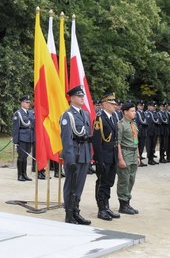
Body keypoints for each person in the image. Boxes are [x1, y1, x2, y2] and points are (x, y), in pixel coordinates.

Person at [60, 86, 92, 225]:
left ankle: (76, 211)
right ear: (72, 98)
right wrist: (70, 159)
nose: (82, 98)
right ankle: (69, 213)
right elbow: (66, 139)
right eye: (79, 96)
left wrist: (90, 155)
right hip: (74, 154)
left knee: (79, 185)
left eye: (82, 96)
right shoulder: (67, 115)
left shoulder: (85, 114)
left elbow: (88, 135)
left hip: (84, 153)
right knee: (70, 185)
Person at [91, 93, 120, 221]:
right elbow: (97, 142)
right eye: (112, 104)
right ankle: (101, 209)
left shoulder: (113, 117)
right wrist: (99, 160)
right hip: (103, 157)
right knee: (102, 182)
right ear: (105, 104)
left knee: (109, 182)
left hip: (112, 156)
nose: (115, 106)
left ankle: (107, 206)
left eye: (115, 104)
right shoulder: (99, 118)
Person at [116, 102, 140, 215]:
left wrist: (138, 156)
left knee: (131, 180)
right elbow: (118, 143)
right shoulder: (120, 124)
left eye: (134, 111)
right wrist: (120, 159)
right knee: (124, 180)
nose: (134, 113)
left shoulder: (133, 124)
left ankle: (127, 202)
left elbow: (136, 141)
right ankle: (123, 205)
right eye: (132, 111)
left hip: (134, 154)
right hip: (125, 154)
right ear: (125, 112)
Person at [12, 95, 34, 181]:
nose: (28, 104)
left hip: (29, 137)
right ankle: (20, 175)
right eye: (26, 102)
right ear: (22, 103)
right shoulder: (18, 114)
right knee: (21, 156)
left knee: (25, 156)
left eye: (29, 102)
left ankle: (24, 174)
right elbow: (15, 128)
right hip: (22, 138)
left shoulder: (30, 113)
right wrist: (16, 141)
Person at [135, 100, 148, 167]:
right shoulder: (136, 113)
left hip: (143, 133)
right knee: (136, 146)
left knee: (142, 147)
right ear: (137, 106)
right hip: (137, 133)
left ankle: (140, 160)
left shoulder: (144, 113)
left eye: (142, 105)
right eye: (140, 105)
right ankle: (136, 160)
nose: (142, 106)